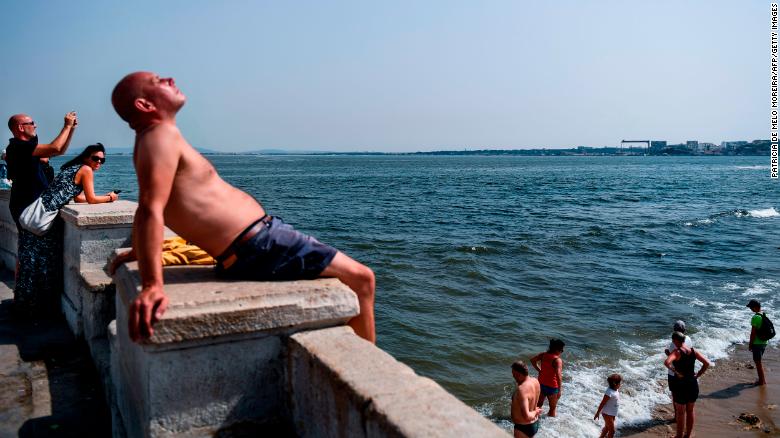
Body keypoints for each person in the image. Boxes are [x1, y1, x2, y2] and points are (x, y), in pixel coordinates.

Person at [109, 72, 376, 343]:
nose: (168, 78)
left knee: (356, 277)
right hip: (260, 244)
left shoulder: (154, 139)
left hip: (251, 247)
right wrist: (153, 284)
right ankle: (372, 377)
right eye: (157, 81)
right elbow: (150, 207)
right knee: (362, 279)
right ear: (145, 105)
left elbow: (154, 203)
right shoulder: (160, 135)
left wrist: (140, 252)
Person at [5, 112, 78, 316]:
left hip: (26, 208)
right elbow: (54, 148)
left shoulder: (23, 149)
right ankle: (29, 307)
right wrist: (65, 125)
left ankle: (27, 304)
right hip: (29, 208)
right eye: (31, 123)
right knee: (75, 174)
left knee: (31, 257)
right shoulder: (18, 147)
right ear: (20, 127)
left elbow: (58, 151)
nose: (35, 125)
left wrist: (70, 129)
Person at [664, 331, 710, 438]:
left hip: (681, 385)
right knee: (690, 410)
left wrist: (675, 372)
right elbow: (706, 363)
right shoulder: (693, 351)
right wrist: (698, 374)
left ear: (675, 341)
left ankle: (679, 436)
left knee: (681, 413)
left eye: (673, 340)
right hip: (692, 384)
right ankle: (687, 435)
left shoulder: (677, 352)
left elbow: (666, 362)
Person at [664, 320, 692, 419]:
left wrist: (667, 352)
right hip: (686, 372)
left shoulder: (673, 344)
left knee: (675, 395)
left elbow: (671, 359)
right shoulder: (688, 339)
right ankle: (683, 414)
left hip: (674, 374)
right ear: (684, 330)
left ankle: (677, 416)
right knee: (684, 394)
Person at [530, 338, 565, 417]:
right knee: (552, 408)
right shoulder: (557, 360)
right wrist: (559, 390)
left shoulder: (543, 355)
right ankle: (550, 426)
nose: (561, 352)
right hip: (552, 387)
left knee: (538, 405)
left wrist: (539, 370)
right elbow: (559, 376)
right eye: (561, 350)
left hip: (541, 384)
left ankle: (533, 420)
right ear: (556, 350)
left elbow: (532, 360)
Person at [510, 361, 542, 438]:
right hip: (534, 423)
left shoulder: (522, 389)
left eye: (514, 375)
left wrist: (535, 411)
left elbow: (527, 416)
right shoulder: (535, 381)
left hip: (523, 427)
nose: (513, 377)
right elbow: (532, 400)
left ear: (518, 374)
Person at [747, 299, 769, 386]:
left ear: (755, 307)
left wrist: (750, 344)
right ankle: (762, 379)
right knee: (758, 362)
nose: (750, 309)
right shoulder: (763, 314)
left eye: (751, 307)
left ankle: (761, 381)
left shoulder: (755, 317)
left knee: (758, 363)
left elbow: (753, 333)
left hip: (757, 343)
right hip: (764, 342)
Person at [593, 373, 622, 438]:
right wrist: (597, 413)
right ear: (615, 384)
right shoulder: (609, 392)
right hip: (607, 413)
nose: (620, 384)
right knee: (612, 431)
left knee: (607, 428)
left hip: (612, 413)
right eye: (619, 383)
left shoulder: (615, 389)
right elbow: (602, 403)